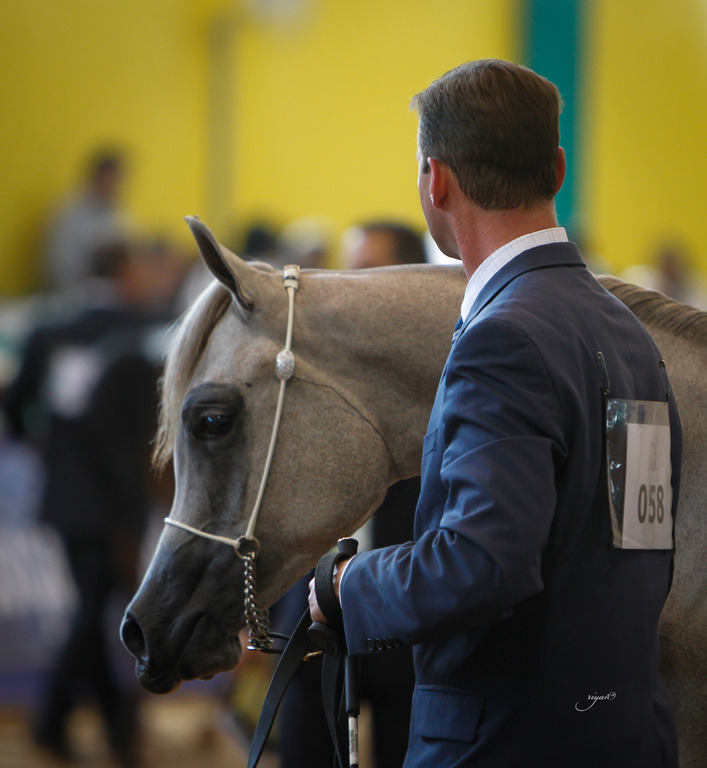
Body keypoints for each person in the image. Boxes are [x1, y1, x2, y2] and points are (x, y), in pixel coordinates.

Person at [309, 59, 682, 767]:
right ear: (558, 168)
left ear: (435, 180)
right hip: (625, 735)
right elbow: (639, 541)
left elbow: (480, 563)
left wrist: (349, 586)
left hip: (504, 743)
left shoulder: (502, 338)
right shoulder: (628, 330)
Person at [3, 239, 163, 767]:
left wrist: (47, 449)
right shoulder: (141, 332)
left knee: (92, 613)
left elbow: (15, 406)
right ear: (125, 267)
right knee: (95, 614)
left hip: (63, 497)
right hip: (117, 503)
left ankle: (111, 727)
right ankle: (65, 722)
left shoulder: (50, 330)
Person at [275, 222, 424, 768]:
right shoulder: (310, 374)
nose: (348, 287)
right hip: (315, 622)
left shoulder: (445, 371)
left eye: (367, 272)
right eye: (349, 269)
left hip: (410, 621)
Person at [44, 148, 131, 293]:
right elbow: (58, 268)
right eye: (108, 180)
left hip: (110, 293)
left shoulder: (121, 217)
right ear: (95, 178)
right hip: (73, 293)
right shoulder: (68, 214)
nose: (112, 186)